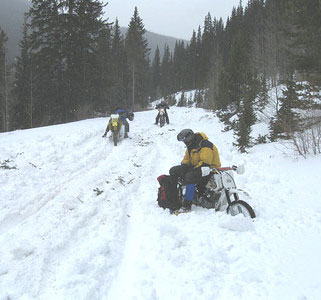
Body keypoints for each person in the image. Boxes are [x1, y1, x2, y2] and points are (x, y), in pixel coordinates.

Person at [169, 129, 221, 212]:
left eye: (184, 140)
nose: (184, 142)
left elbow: (205, 162)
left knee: (190, 176)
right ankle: (173, 198)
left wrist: (191, 170)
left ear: (189, 138)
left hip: (209, 169)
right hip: (197, 167)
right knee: (174, 171)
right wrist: (183, 168)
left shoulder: (205, 145)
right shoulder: (191, 146)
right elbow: (186, 161)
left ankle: (187, 205)